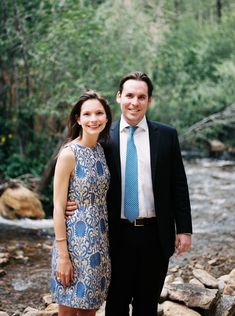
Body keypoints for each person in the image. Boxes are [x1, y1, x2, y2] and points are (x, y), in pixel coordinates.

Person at [66, 72, 192, 316]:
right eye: (130, 95)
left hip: (156, 233)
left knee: (147, 304)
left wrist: (184, 229)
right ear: (119, 97)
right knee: (116, 303)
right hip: (115, 234)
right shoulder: (102, 137)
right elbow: (81, 172)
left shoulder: (167, 135)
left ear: (149, 101)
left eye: (141, 97)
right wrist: (70, 204)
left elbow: (179, 184)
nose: (135, 102)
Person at [50, 90, 112, 316]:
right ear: (78, 118)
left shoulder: (100, 150)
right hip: (74, 244)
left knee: (90, 310)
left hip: (99, 243)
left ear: (106, 118)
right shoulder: (69, 153)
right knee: (68, 309)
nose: (93, 119)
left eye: (99, 113)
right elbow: (58, 206)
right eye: (87, 114)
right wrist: (63, 256)